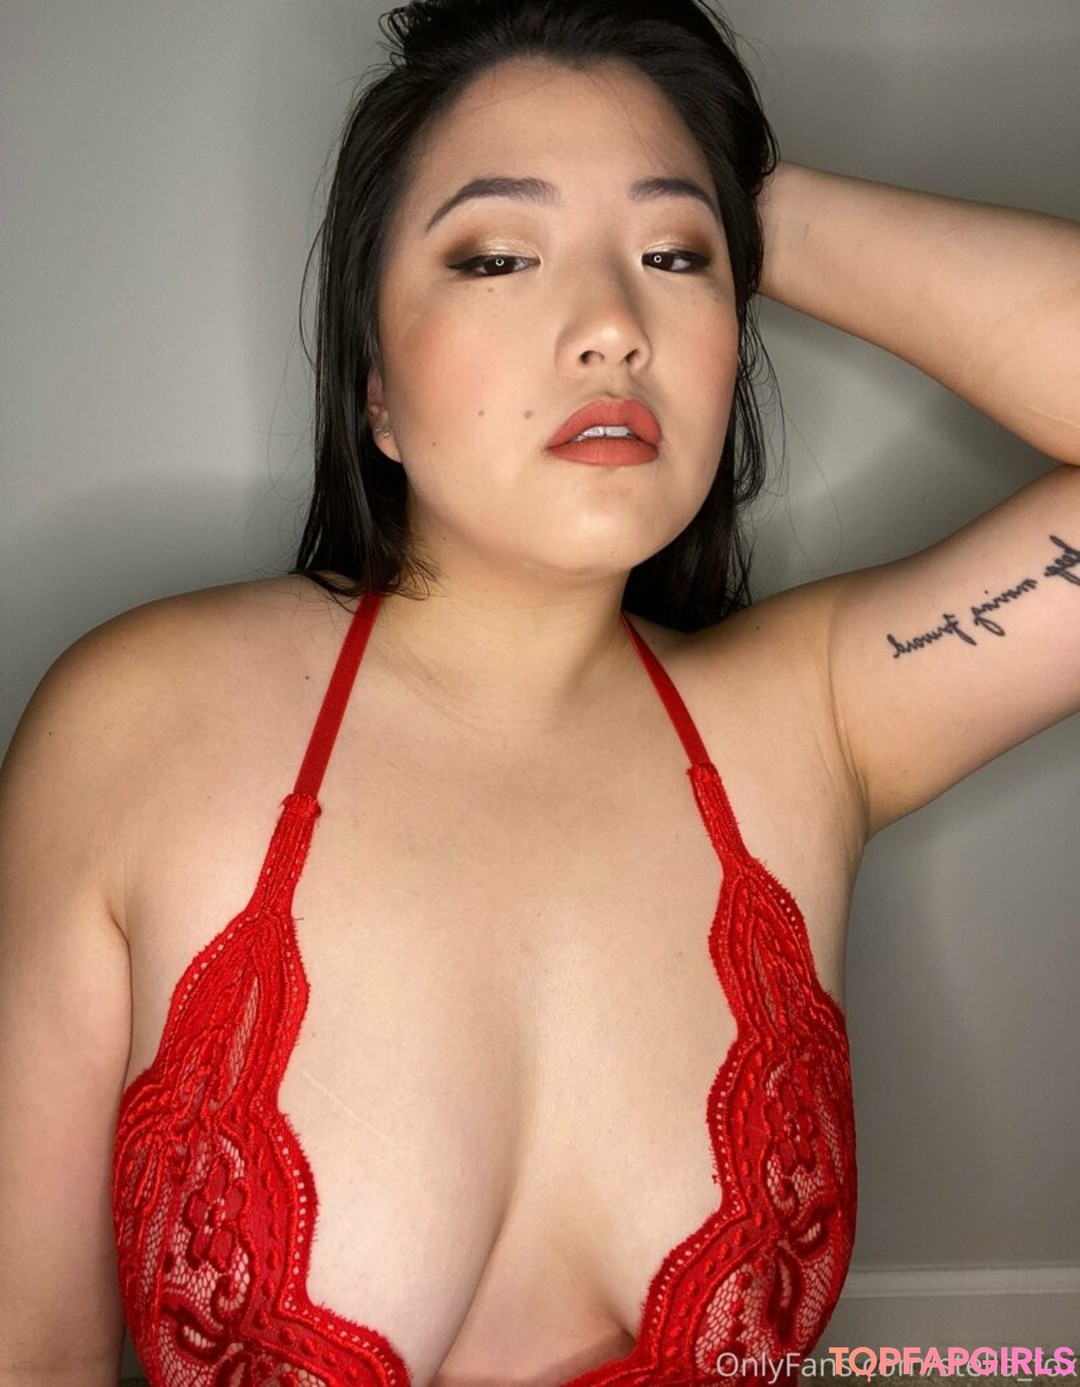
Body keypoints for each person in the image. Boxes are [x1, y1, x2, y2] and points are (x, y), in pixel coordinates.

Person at [0, 0, 1077, 1384]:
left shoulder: (811, 724)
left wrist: (749, 200)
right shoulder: (137, 725)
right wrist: (671, 202)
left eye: (674, 259)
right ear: (376, 390)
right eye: (500, 255)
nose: (614, 326)